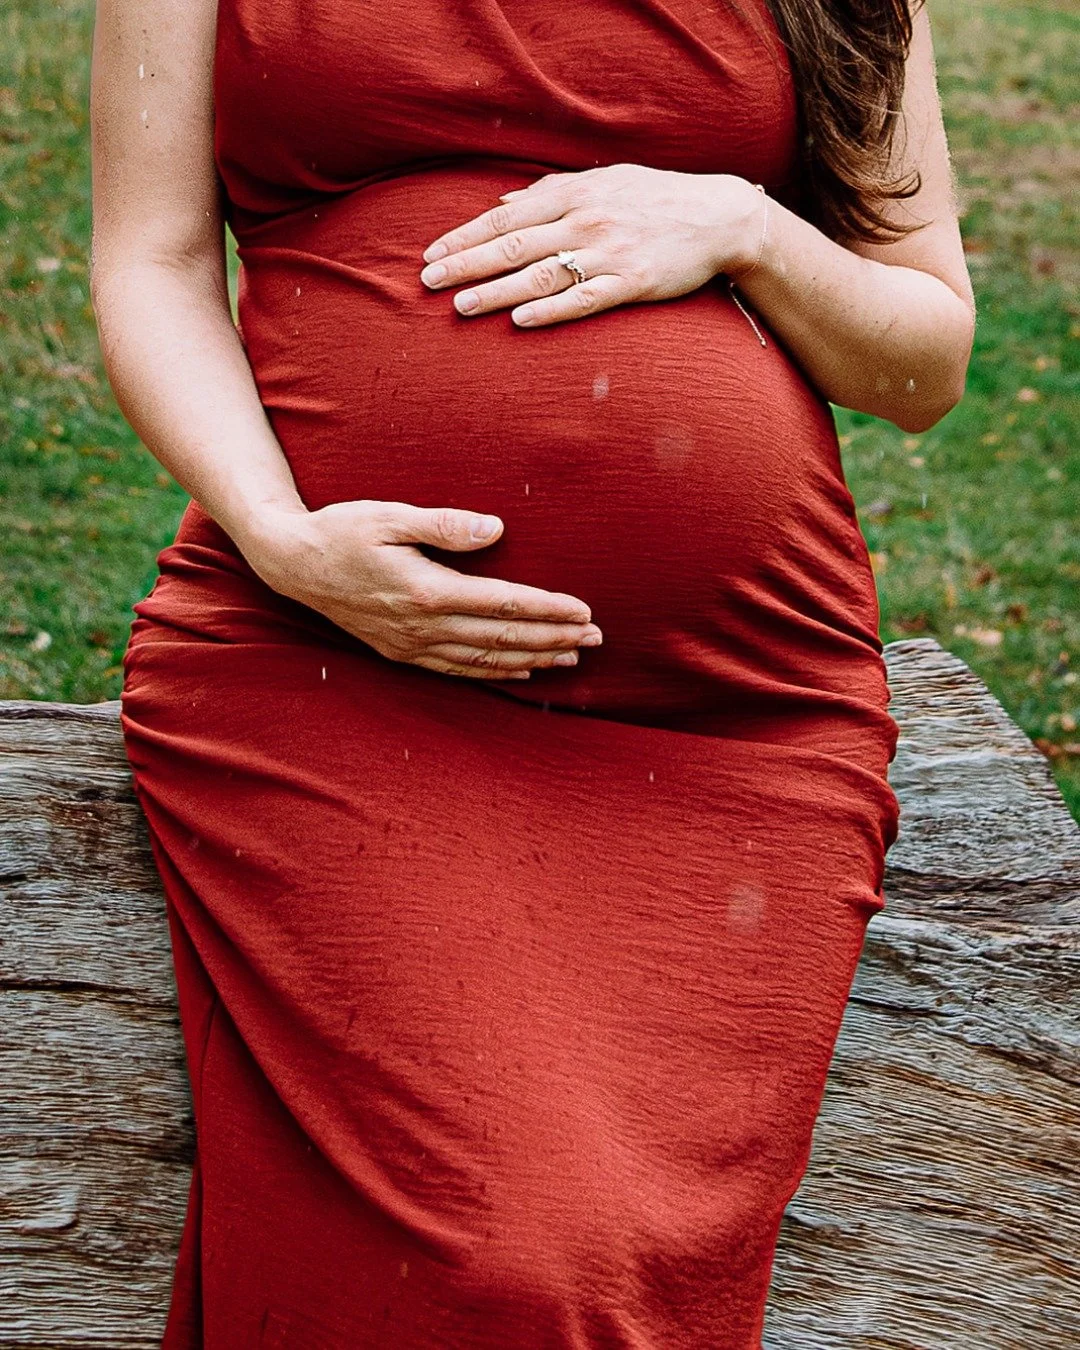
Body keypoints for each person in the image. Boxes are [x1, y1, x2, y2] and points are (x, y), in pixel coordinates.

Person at [89, 0, 975, 1344]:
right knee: (506, 1263)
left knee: (614, 1263)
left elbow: (926, 356)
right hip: (335, 676)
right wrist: (279, 534)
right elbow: (149, 262)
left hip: (724, 720)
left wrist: (747, 226)